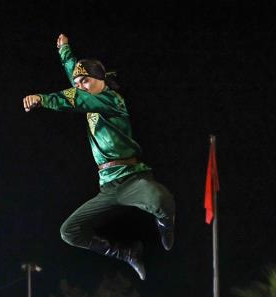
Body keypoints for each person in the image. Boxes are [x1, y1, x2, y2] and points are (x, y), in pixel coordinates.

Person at [22, 33, 176, 280]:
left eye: (85, 81)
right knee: (69, 232)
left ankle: (165, 223)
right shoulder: (88, 91)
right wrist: (64, 50)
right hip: (107, 186)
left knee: (160, 199)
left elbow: (75, 97)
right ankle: (125, 253)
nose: (81, 86)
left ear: (100, 79)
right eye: (78, 83)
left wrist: (42, 99)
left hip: (131, 179)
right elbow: (76, 76)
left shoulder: (111, 100)